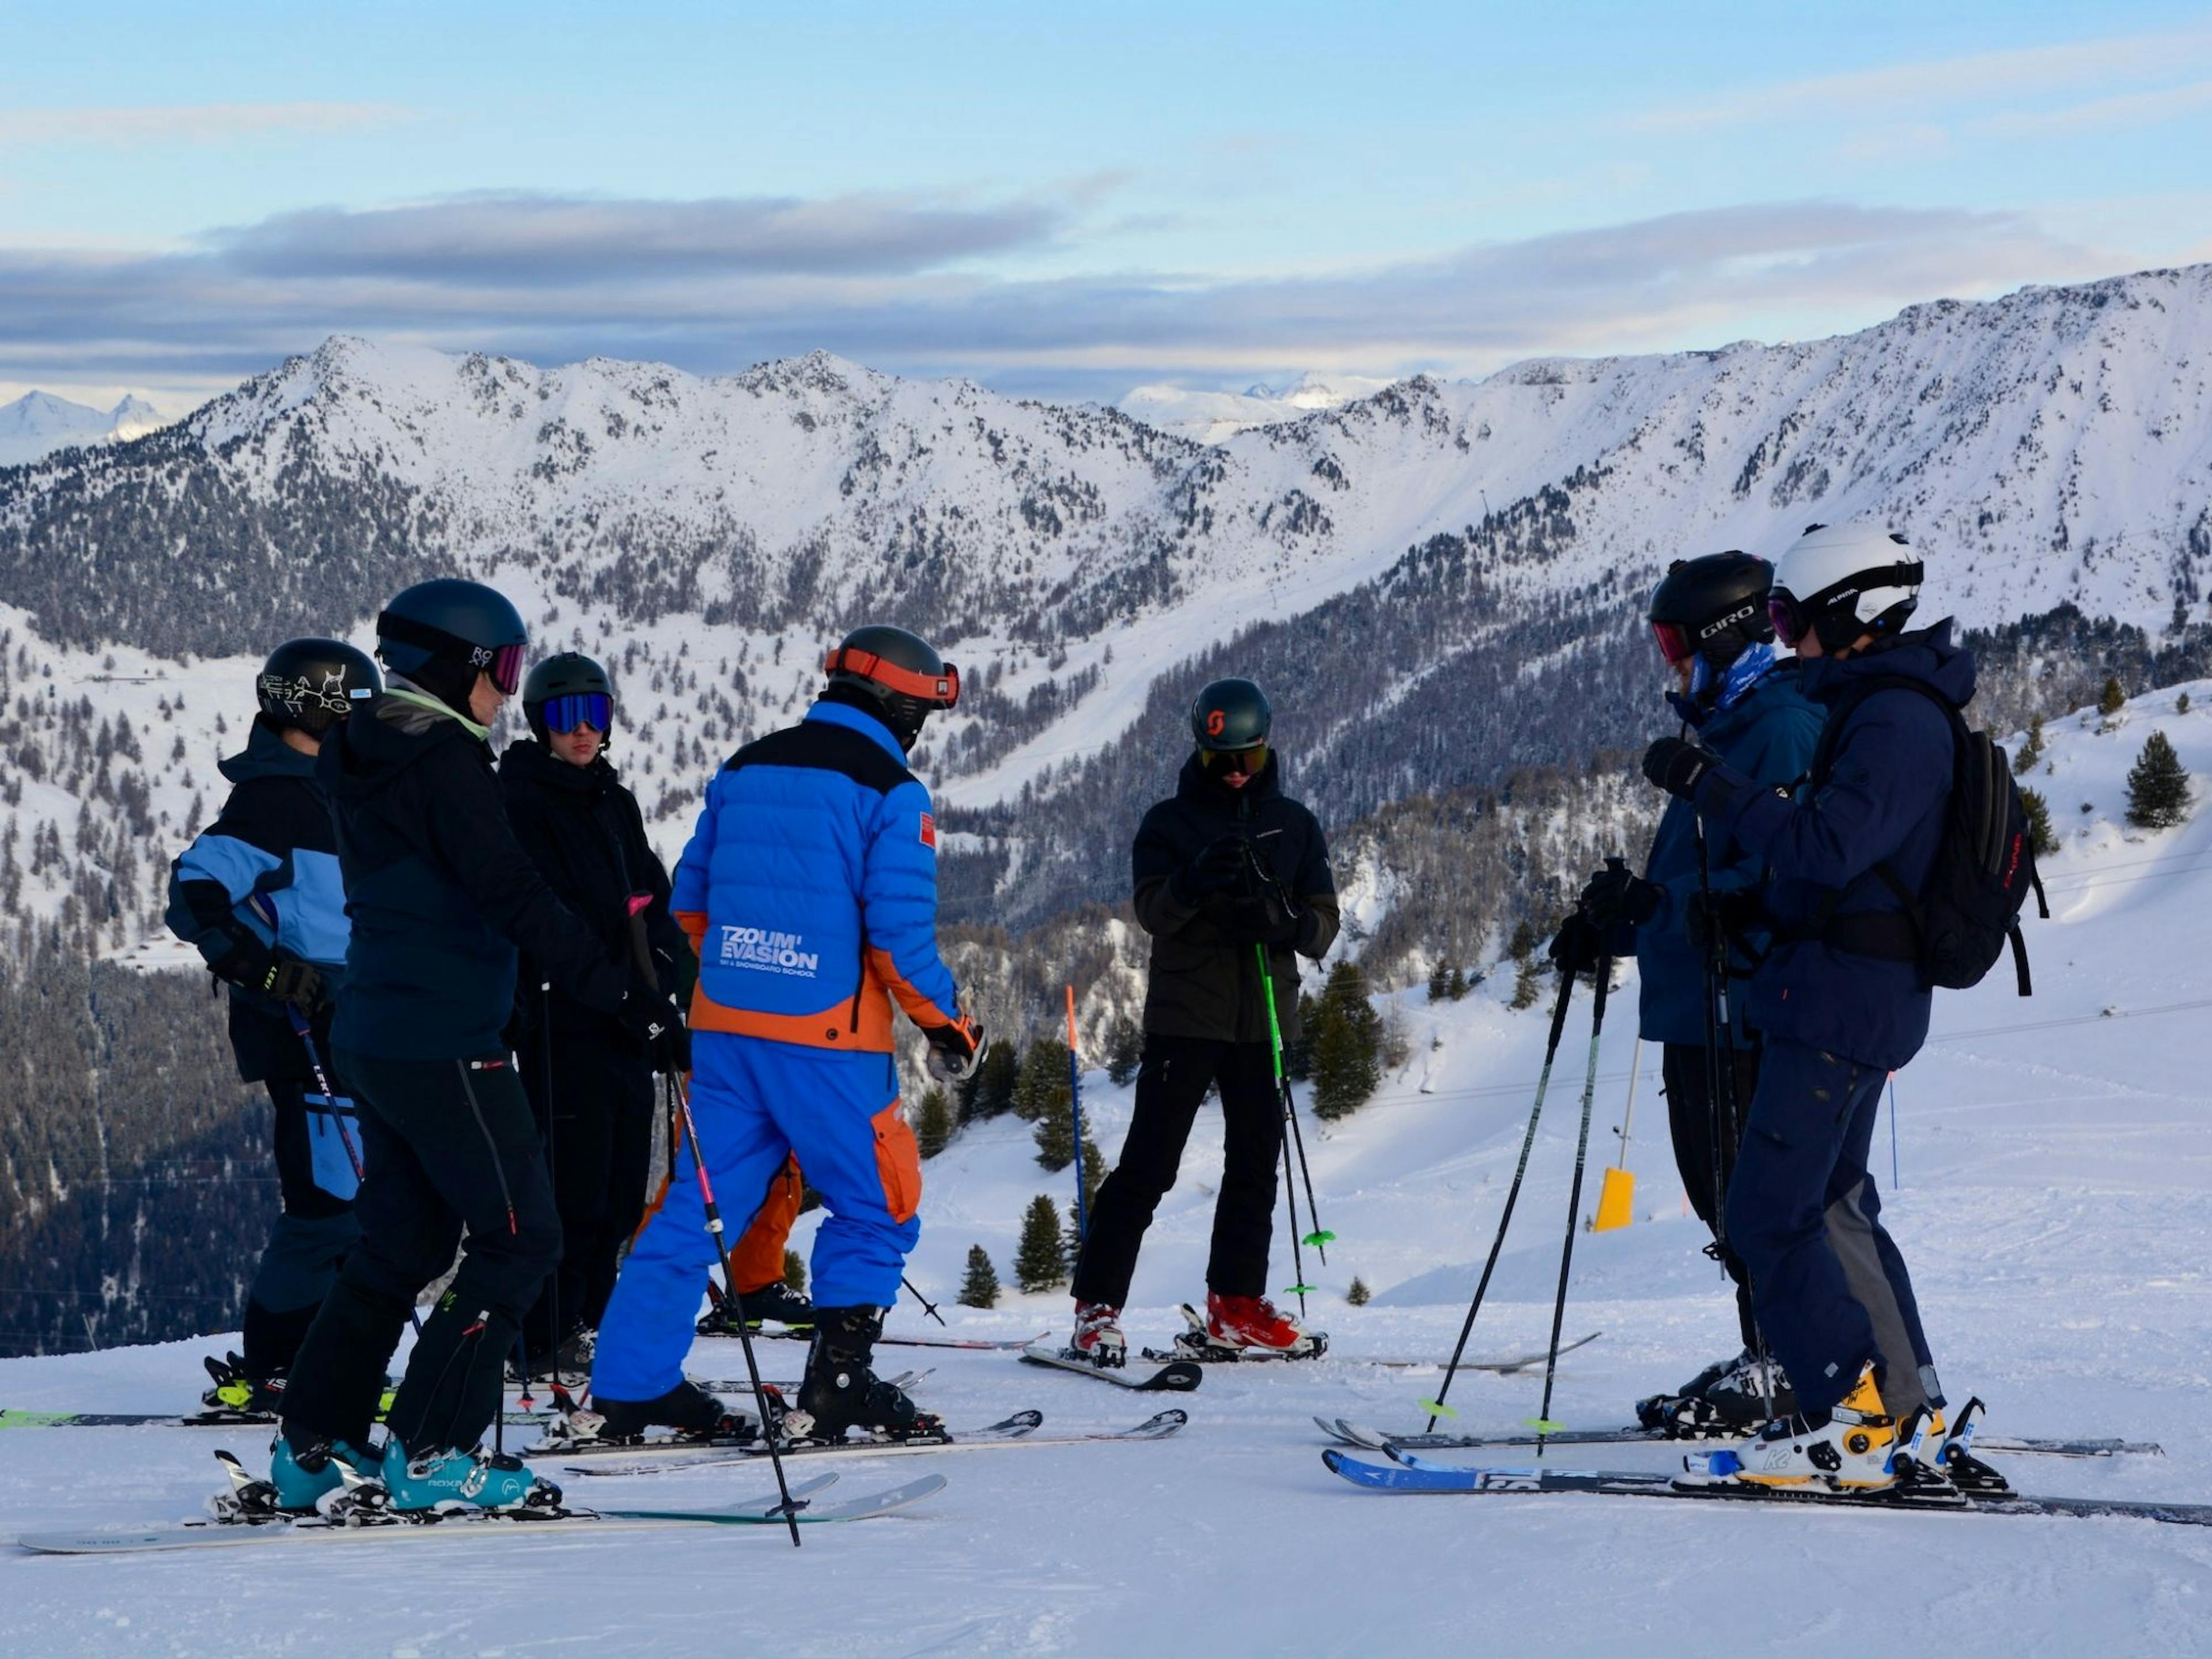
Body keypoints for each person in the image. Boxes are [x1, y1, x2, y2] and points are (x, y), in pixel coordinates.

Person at [271, 579, 690, 1513]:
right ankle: (430, 1452)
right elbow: (514, 894)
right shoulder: (448, 762)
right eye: (501, 668)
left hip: (376, 1029)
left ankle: (312, 1447)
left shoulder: (366, 746)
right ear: (455, 666)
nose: (506, 689)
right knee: (522, 1237)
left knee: (402, 1241)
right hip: (448, 1037)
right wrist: (625, 997)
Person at [588, 624, 979, 1442]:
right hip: (828, 1042)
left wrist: (745, 979)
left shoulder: (746, 767)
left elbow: (689, 903)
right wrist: (949, 1026)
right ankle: (839, 1385)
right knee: (879, 1203)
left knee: (696, 1209)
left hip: (727, 1034)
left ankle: (630, 1385)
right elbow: (898, 941)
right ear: (902, 707)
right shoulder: (894, 792)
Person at [1639, 522, 1955, 1488]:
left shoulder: (1891, 720)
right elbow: (1823, 870)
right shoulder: (1870, 709)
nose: (1787, 640)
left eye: (1793, 619)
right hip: (1834, 994)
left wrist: (1713, 787)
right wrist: (1691, 907)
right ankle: (1902, 1407)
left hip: (1837, 1003)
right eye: (1774, 620)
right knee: (1822, 1206)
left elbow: (1824, 847)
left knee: (1773, 1214)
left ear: (1849, 616)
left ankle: (1852, 1416)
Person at [1566, 553, 1823, 1428]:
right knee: (1726, 1200)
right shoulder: (1727, 729)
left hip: (1745, 1013)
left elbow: (1776, 883)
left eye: (1677, 645)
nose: (1671, 665)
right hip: (1698, 1010)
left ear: (1724, 638)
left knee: (1757, 1203)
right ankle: (1769, 1351)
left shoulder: (1778, 729)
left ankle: (1794, 1364)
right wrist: (1618, 922)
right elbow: (1701, 876)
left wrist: (1657, 907)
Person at [500, 650, 762, 1381]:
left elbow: (650, 898)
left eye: (595, 714)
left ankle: (592, 1319)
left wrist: (670, 977)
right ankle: (545, 1334)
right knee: (573, 1187)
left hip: (625, 1022)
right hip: (564, 1021)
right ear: (540, 724)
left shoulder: (611, 799)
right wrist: (627, 996)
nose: (582, 731)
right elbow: (556, 925)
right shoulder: (523, 801)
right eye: (565, 717)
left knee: (619, 1190)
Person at [1066, 677, 1339, 1365]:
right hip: (1186, 1019)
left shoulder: (1295, 824)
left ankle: (1236, 1305)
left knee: (1255, 1168)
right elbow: (1152, 912)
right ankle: (1097, 1307)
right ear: (1200, 752)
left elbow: (1323, 926)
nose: (1238, 771)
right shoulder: (1168, 823)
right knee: (1148, 1166)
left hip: (1265, 1021)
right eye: (1223, 760)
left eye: (1249, 756)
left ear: (1267, 747)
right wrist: (1191, 881)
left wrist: (1283, 919)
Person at [166, 638, 380, 1415]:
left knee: (366, 1205)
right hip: (304, 1030)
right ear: (319, 711)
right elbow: (192, 892)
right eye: (357, 710)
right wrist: (265, 971)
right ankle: (281, 1364)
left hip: (363, 1025)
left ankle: (325, 1356)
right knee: (329, 1207)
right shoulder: (273, 803)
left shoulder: (339, 795)